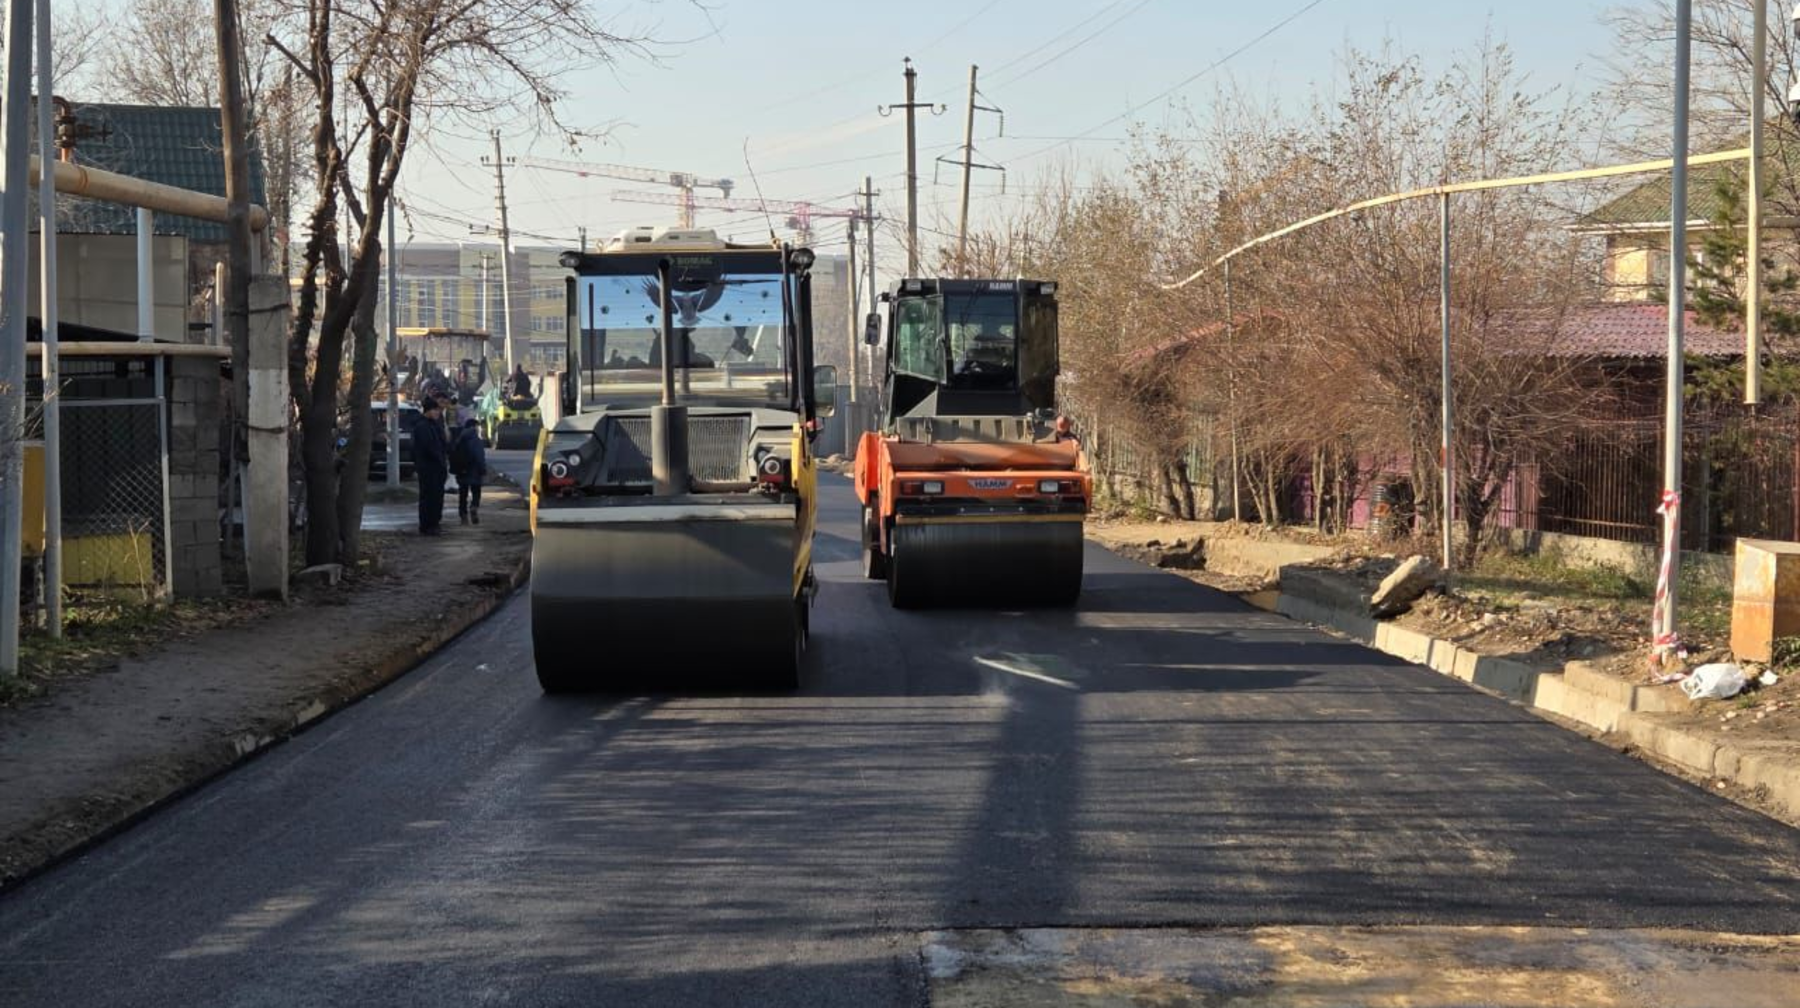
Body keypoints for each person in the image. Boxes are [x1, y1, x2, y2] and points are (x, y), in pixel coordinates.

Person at [412, 397, 450, 535]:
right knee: (429, 497)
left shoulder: (434, 425)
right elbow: (429, 448)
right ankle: (428, 525)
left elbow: (442, 444)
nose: (438, 413)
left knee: (437, 497)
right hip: (428, 468)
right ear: (429, 410)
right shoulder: (422, 426)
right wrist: (439, 459)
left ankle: (434, 523)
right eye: (435, 410)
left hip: (437, 468)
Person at [449, 417, 488, 525]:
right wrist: (482, 469)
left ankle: (463, 515)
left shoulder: (459, 438)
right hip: (475, 470)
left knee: (463, 494)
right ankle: (474, 507)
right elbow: (480, 456)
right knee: (476, 492)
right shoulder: (477, 440)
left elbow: (453, 454)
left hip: (462, 470)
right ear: (474, 427)